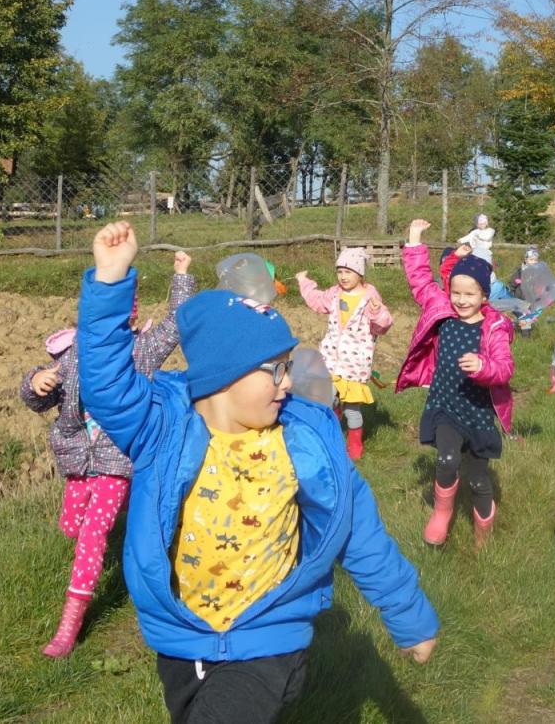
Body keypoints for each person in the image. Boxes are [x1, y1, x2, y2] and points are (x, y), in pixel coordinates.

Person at [78, 223, 438, 723]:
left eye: (288, 366)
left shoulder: (301, 438)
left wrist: (408, 614)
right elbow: (105, 384)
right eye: (275, 370)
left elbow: (357, 526)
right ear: (224, 374)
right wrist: (110, 282)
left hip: (269, 641)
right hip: (183, 643)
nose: (288, 383)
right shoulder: (162, 428)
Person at [22, 252, 195, 658]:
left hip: (117, 461)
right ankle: (134, 512)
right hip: (77, 457)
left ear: (130, 323)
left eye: (118, 323)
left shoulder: (143, 351)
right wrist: (35, 383)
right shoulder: (74, 354)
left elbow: (176, 324)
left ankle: (70, 623)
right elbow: (39, 400)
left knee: (92, 536)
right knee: (72, 525)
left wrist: (182, 276)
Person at [398, 219, 515, 549]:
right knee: (446, 460)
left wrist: (483, 366)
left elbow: (504, 368)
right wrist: (414, 240)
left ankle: (483, 534)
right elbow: (421, 282)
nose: (461, 300)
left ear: (484, 295)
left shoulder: (495, 328)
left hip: (477, 412)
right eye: (456, 292)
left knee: (478, 481)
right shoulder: (443, 310)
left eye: (470, 294)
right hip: (445, 404)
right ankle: (442, 512)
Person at [295, 248, 394, 460]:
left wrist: (378, 312)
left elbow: (383, 326)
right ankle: (331, 436)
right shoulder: (335, 293)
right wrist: (304, 282)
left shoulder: (370, 297)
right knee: (327, 398)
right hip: (330, 359)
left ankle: (355, 443)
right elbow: (316, 300)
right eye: (339, 271)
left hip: (355, 364)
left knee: (352, 410)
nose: (343, 276)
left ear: (360, 273)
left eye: (348, 272)